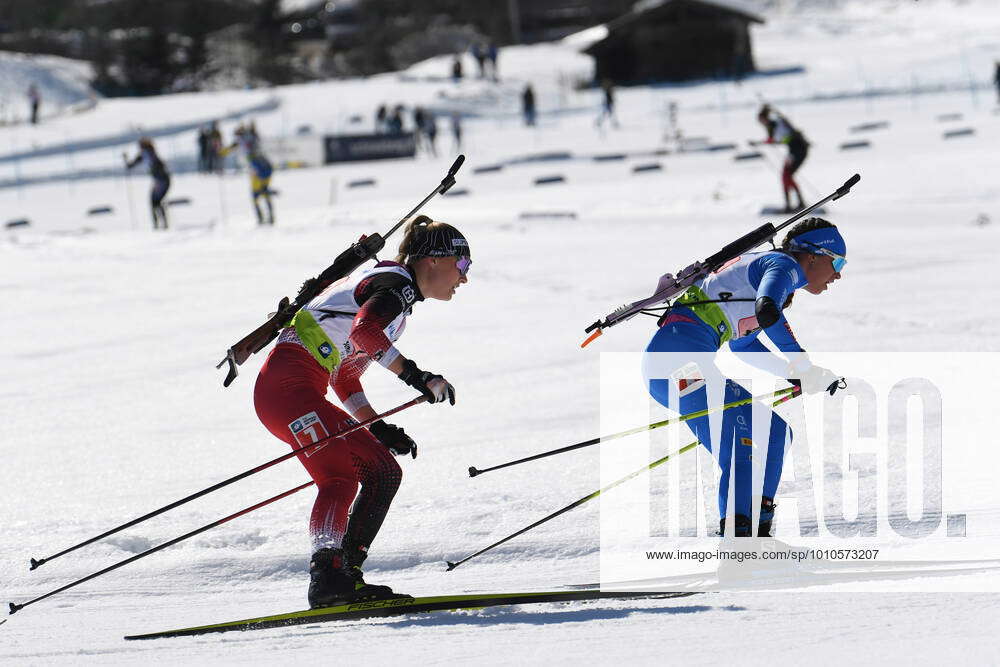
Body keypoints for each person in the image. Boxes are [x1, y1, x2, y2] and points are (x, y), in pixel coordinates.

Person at [253, 215, 472, 607]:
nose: (465, 279)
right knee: (375, 473)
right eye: (463, 266)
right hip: (289, 390)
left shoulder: (393, 294)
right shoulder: (395, 287)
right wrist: (418, 377)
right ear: (435, 260)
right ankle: (333, 578)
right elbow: (363, 334)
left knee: (347, 477)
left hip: (283, 393)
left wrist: (377, 428)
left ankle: (340, 577)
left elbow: (345, 377)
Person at [643, 218, 847, 538]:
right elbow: (768, 310)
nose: (838, 274)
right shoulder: (782, 265)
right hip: (679, 367)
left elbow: (745, 345)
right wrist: (801, 364)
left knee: (776, 433)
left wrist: (794, 374)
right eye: (837, 261)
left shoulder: (762, 273)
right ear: (812, 256)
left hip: (679, 366)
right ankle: (739, 539)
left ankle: (756, 532)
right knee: (743, 445)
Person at [757, 104, 809, 213]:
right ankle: (793, 204)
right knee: (786, 176)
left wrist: (764, 142)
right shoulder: (775, 124)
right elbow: (778, 139)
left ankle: (797, 204)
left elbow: (778, 138)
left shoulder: (775, 124)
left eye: (761, 121)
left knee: (787, 176)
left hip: (798, 151)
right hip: (794, 151)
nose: (761, 124)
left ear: (764, 119)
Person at [221, 123, 275, 225]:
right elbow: (229, 149)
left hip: (259, 169)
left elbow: (230, 148)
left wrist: (221, 153)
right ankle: (267, 217)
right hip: (261, 168)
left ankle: (263, 218)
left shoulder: (245, 140)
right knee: (263, 193)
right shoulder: (251, 138)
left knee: (258, 194)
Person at [124, 137, 171, 230]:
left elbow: (160, 166)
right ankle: (159, 224)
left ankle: (161, 225)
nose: (140, 149)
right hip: (160, 180)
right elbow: (131, 165)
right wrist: (126, 160)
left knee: (156, 201)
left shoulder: (150, 154)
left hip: (162, 180)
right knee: (155, 202)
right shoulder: (146, 154)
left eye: (141, 146)